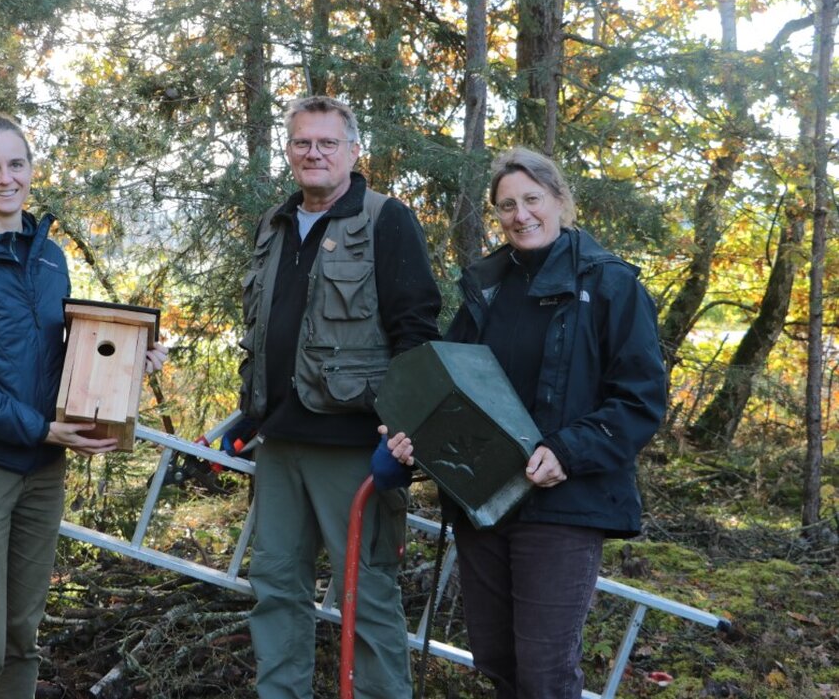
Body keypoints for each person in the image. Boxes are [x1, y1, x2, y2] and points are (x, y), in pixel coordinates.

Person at [383, 147, 666, 699]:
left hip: (563, 505)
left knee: (545, 673)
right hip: (485, 501)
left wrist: (567, 452)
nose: (521, 215)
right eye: (507, 205)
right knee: (495, 658)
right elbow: (450, 388)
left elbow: (640, 399)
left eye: (533, 199)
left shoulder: (611, 286)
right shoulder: (487, 287)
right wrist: (411, 436)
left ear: (560, 202)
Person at [0, 115, 167, 699]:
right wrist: (42, 428)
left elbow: (64, 358)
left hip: (41, 473)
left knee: (21, 641)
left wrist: (131, 365)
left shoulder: (50, 257)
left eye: (16, 164)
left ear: (31, 168)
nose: (6, 178)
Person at [231, 95, 441, 699]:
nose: (314, 153)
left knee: (366, 595)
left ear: (353, 151)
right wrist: (250, 415)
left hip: (355, 446)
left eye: (327, 143)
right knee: (274, 589)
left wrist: (401, 439)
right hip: (279, 445)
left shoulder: (385, 219)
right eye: (302, 142)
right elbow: (270, 333)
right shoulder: (274, 224)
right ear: (289, 151)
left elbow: (416, 335)